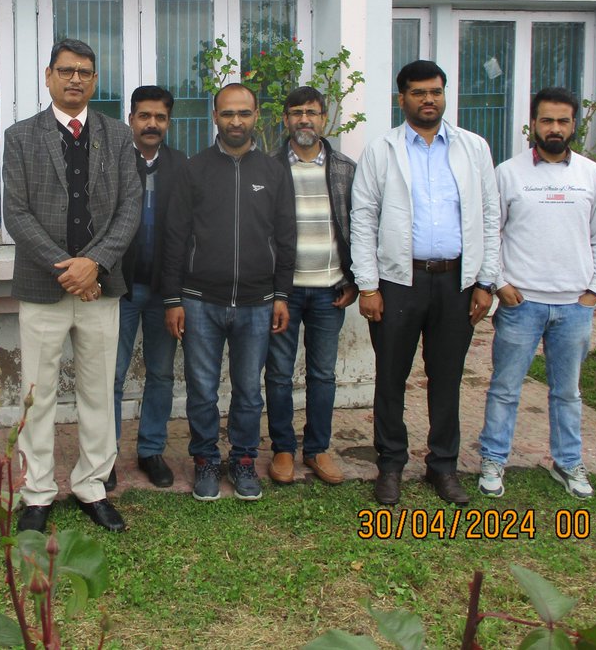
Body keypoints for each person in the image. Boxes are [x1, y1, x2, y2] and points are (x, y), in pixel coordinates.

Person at [3, 39, 141, 533]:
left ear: (95, 80)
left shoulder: (117, 135)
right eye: (66, 71)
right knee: (36, 395)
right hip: (44, 288)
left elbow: (131, 208)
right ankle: (37, 494)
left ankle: (91, 485)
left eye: (84, 72)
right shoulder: (20, 136)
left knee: (98, 392)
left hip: (101, 289)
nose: (75, 79)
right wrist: (70, 268)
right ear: (48, 76)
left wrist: (96, 265)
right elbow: (15, 213)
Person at [350, 60, 500, 507]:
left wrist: (486, 280)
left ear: (445, 94)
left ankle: (443, 466)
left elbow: (489, 217)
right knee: (391, 377)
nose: (428, 99)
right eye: (418, 92)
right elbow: (363, 218)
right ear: (403, 99)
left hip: (457, 281)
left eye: (435, 91)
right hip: (399, 281)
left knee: (447, 378)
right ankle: (391, 465)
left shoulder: (473, 148)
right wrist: (367, 285)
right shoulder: (383, 150)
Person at [478, 87, 596, 501]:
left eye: (562, 121)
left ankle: (568, 461)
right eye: (546, 120)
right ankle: (493, 459)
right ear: (532, 124)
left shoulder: (591, 174)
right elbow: (491, 232)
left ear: (573, 125)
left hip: (575, 305)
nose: (554, 128)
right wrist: (500, 282)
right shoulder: (509, 173)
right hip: (522, 304)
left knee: (568, 391)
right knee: (505, 387)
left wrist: (594, 290)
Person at [162, 83, 296, 503]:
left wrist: (282, 295)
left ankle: (242, 459)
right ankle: (204, 458)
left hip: (257, 304)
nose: (235, 121)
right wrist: (173, 300)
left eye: (244, 113)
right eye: (227, 113)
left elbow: (287, 237)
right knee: (202, 388)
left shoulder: (274, 171)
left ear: (257, 116)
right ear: (214, 117)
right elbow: (175, 238)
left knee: (248, 390)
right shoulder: (194, 169)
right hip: (201, 300)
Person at [266, 86, 358, 487]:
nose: (305, 119)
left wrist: (354, 278)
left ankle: (318, 449)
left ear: (324, 119)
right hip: (283, 293)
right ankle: (284, 449)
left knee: (322, 375)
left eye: (313, 112)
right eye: (297, 112)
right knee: (279, 374)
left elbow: (358, 227)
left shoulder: (344, 169)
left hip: (329, 291)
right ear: (285, 119)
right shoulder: (268, 168)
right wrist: (271, 291)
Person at [112, 85, 188, 489]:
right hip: (119, 290)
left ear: (168, 123)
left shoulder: (182, 167)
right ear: (131, 120)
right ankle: (104, 455)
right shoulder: (114, 162)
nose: (152, 124)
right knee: (112, 375)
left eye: (160, 117)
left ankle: (151, 450)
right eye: (144, 116)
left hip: (165, 293)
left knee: (160, 374)